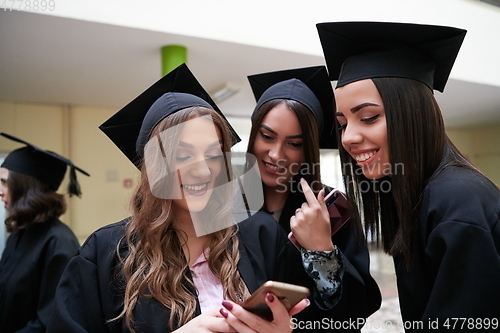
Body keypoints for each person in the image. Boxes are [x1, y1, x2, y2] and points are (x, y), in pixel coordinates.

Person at [47, 64, 319, 333]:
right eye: (183, 155)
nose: (202, 170)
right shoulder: (105, 254)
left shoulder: (260, 234)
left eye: (213, 154)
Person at [317, 21, 500, 331]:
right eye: (343, 123)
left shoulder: (458, 202)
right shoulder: (416, 197)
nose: (347, 138)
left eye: (368, 117)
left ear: (413, 112)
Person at [246, 66, 381, 330]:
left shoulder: (334, 211)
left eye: (294, 144)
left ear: (309, 149)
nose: (276, 154)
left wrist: (322, 249)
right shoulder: (221, 203)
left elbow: (354, 313)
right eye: (267, 136)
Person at [0, 133, 88, 332]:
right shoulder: (19, 235)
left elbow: (50, 320)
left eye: (5, 182)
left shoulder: (59, 242)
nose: (0, 190)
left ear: (24, 186)